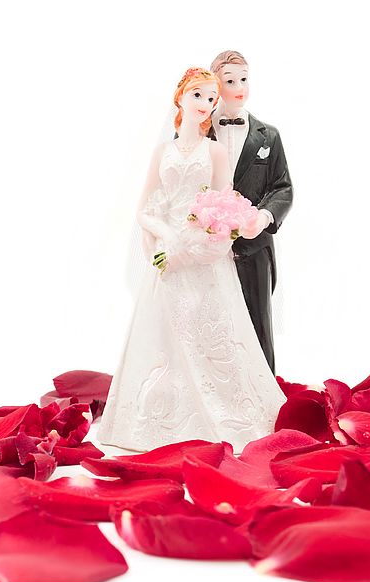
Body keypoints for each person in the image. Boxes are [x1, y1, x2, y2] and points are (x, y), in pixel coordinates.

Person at [96, 67, 286, 454]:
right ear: (180, 97)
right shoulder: (161, 152)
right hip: (169, 257)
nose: (206, 105)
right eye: (199, 95)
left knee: (214, 334)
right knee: (165, 335)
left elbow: (224, 202)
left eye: (211, 99)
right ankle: (160, 416)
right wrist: (166, 236)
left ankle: (227, 412)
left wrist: (201, 240)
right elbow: (146, 208)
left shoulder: (214, 150)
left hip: (203, 256)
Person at [210, 50, 293, 375]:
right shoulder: (199, 133)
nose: (238, 87)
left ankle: (263, 391)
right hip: (209, 247)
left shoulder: (268, 136)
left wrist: (262, 217)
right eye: (229, 80)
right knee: (213, 321)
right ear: (215, 84)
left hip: (254, 246)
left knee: (257, 320)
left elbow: (283, 187)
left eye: (243, 79)